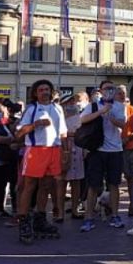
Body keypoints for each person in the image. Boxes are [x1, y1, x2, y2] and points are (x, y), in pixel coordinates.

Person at [14, 79, 67, 244]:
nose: (44, 92)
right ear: (35, 93)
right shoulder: (31, 109)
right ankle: (23, 220)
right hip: (36, 149)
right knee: (29, 185)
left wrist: (66, 152)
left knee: (46, 185)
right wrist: (36, 124)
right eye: (41, 89)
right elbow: (19, 133)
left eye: (47, 89)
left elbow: (63, 132)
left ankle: (40, 217)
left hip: (54, 149)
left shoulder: (58, 108)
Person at [79, 80, 127, 232]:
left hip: (115, 150)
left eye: (112, 88)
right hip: (97, 150)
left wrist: (111, 115)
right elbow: (83, 119)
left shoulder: (120, 105)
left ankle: (115, 215)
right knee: (93, 185)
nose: (110, 91)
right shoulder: (93, 106)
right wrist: (101, 112)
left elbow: (123, 124)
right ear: (100, 90)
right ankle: (88, 217)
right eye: (106, 88)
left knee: (114, 184)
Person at [59, 92, 87, 221]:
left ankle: (75, 209)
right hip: (64, 150)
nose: (72, 104)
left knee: (77, 182)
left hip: (78, 149)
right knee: (62, 182)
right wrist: (71, 135)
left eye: (73, 101)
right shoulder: (59, 117)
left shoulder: (79, 117)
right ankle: (59, 212)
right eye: (68, 102)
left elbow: (82, 133)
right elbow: (59, 134)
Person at [119, 86, 133, 217]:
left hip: (128, 148)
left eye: (124, 94)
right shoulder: (111, 109)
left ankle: (132, 205)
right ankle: (111, 205)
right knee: (113, 180)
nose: (122, 96)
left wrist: (128, 139)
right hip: (113, 148)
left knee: (129, 177)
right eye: (119, 93)